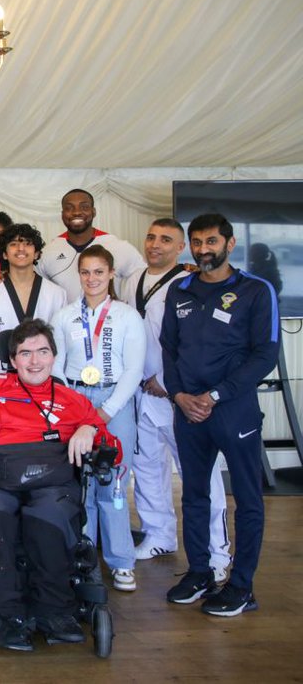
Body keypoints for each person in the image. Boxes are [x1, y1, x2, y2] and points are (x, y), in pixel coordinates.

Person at [0, 319, 117, 650]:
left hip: (54, 483)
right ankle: (3, 616)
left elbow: (114, 448)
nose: (34, 361)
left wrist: (90, 430)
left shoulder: (72, 400)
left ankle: (53, 612)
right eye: (25, 353)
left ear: (53, 356)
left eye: (42, 352)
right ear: (13, 360)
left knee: (48, 518)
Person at [162, 213, 280, 617]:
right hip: (188, 412)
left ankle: (242, 585)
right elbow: (169, 350)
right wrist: (178, 395)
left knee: (246, 498)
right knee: (195, 495)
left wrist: (215, 395)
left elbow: (265, 354)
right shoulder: (180, 291)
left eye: (211, 241)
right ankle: (199, 572)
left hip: (233, 412)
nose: (203, 249)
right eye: (197, 242)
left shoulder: (255, 291)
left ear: (229, 244)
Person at [120, 219, 230, 575]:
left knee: (198, 474)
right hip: (140, 390)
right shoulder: (131, 278)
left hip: (180, 393)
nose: (155, 244)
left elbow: (195, 342)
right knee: (148, 468)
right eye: (151, 236)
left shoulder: (191, 282)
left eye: (166, 239)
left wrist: (170, 383)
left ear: (181, 247)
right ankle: (159, 534)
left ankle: (217, 552)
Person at [51, 246, 144, 592]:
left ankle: (121, 561)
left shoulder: (126, 316)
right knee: (80, 484)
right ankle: (83, 557)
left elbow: (134, 369)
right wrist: (73, 407)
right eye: (86, 272)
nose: (92, 279)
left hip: (114, 400)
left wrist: (106, 411)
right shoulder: (63, 317)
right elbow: (56, 367)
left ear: (111, 274)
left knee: (113, 483)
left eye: (99, 272)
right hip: (75, 398)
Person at [0, 223, 67, 370]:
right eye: (14, 244)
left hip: (41, 375)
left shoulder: (57, 294)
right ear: (4, 253)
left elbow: (59, 343)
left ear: (37, 253)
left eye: (28, 244)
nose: (21, 249)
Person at [38, 189, 145, 303]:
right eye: (69, 208)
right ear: (62, 214)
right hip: (64, 320)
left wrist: (127, 307)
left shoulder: (119, 246)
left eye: (84, 207)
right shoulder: (48, 252)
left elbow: (143, 279)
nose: (77, 212)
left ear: (93, 212)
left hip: (108, 318)